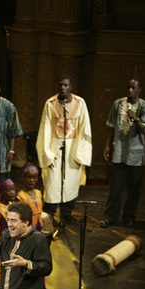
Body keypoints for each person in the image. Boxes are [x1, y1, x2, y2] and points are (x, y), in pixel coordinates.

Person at [36, 75, 92, 226]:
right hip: (55, 149)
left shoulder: (80, 103)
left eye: (66, 85)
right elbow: (46, 128)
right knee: (52, 182)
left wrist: (80, 152)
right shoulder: (50, 103)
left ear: (71, 87)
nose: (62, 88)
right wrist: (47, 153)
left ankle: (67, 214)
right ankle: (50, 215)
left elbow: (84, 127)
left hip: (73, 149)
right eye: (60, 85)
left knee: (70, 183)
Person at [100, 77, 145, 228]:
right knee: (115, 188)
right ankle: (111, 216)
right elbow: (111, 126)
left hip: (136, 155)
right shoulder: (118, 104)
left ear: (139, 89)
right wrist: (108, 145)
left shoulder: (144, 106)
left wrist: (135, 118)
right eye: (128, 87)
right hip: (119, 152)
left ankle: (129, 216)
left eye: (133, 88)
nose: (130, 90)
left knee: (133, 189)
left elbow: (144, 130)